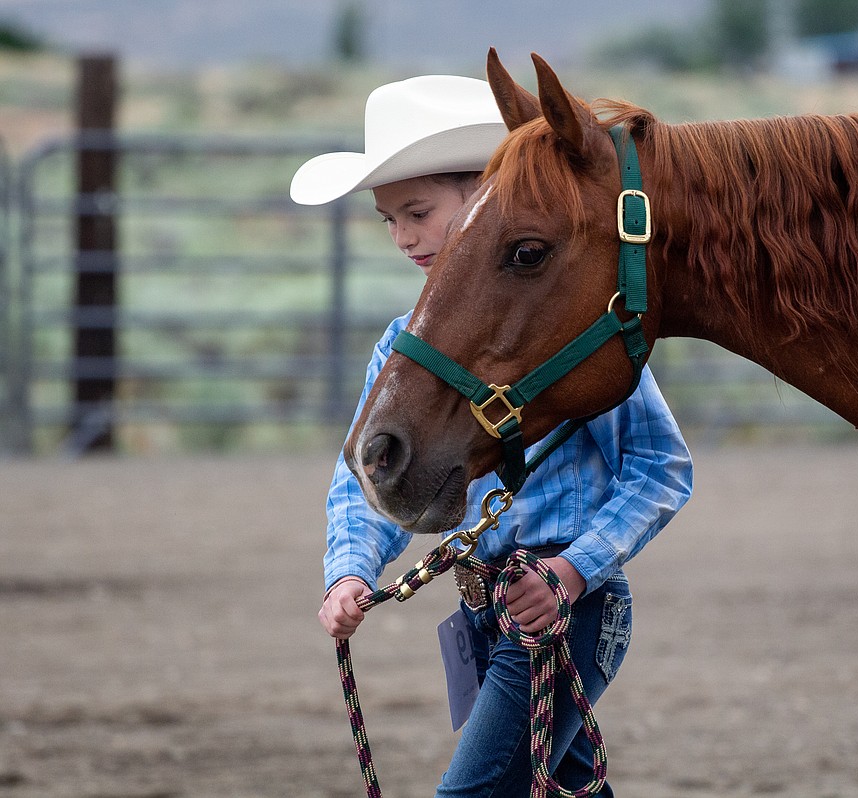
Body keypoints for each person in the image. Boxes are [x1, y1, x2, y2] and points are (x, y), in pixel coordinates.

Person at [291, 74, 693, 797]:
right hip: (482, 612)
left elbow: (660, 466)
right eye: (389, 220)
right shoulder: (404, 347)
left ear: (484, 200)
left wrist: (571, 573)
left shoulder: (564, 328)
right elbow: (367, 473)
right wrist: (350, 569)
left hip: (566, 607)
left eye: (417, 211)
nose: (405, 236)